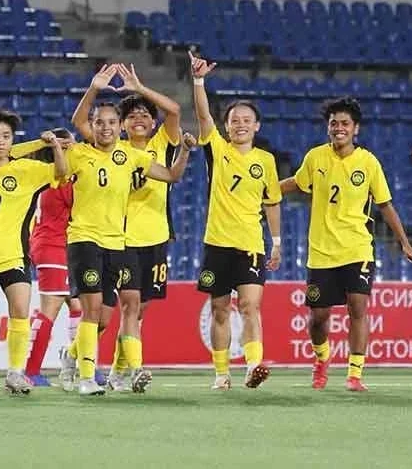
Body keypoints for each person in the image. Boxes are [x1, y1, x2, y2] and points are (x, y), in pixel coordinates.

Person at [61, 66, 195, 395]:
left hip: (155, 239)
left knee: (134, 310)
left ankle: (118, 371)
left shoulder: (155, 144)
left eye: (144, 115)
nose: (138, 119)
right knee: (112, 312)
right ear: (118, 124)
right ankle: (112, 366)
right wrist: (96, 89)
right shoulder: (103, 146)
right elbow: (80, 124)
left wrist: (139, 87)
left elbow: (174, 113)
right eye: (131, 114)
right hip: (118, 239)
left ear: (152, 122)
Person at [280, 97, 412, 392]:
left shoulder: (368, 162)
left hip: (357, 248)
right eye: (334, 123)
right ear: (327, 128)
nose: (338, 128)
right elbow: (296, 182)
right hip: (321, 251)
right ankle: (322, 360)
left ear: (356, 128)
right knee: (318, 318)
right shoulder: (315, 157)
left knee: (358, 307)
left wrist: (404, 242)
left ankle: (355, 375)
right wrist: (264, 190)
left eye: (345, 123)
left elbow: (386, 205)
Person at [188, 51, 281, 391]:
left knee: (250, 306)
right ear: (227, 126)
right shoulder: (217, 149)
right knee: (220, 309)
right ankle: (221, 373)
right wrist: (199, 81)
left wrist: (278, 242)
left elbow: (272, 202)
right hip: (217, 243)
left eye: (247, 119)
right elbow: (202, 114)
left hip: (251, 245)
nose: (240, 124)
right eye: (234, 120)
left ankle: (254, 365)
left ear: (257, 126)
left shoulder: (266, 161)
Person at [0, 109, 68, 395]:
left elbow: (61, 172)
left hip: (15, 256)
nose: (0, 141)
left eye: (6, 136)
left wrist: (54, 146)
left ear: (12, 140)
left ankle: (15, 373)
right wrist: (35, 143)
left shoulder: (27, 171)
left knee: (20, 311)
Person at [23, 131, 84, 388]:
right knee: (51, 308)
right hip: (52, 246)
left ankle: (78, 364)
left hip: (62, 247)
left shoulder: (44, 174)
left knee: (79, 307)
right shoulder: (57, 180)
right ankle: (30, 369)